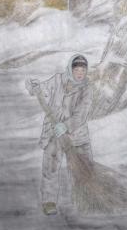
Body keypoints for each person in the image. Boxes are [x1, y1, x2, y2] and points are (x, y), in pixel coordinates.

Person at [26, 54, 93, 215]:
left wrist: (66, 125)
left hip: (77, 135)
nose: (79, 72)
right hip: (54, 133)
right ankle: (49, 201)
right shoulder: (57, 80)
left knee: (84, 167)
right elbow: (43, 89)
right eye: (76, 69)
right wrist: (34, 87)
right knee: (50, 167)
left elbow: (82, 114)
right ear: (70, 69)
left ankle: (87, 198)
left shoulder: (87, 88)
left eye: (83, 69)